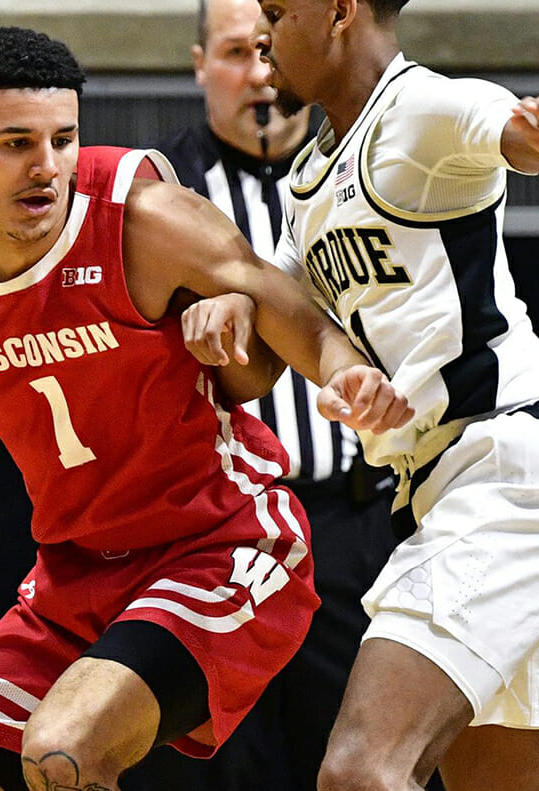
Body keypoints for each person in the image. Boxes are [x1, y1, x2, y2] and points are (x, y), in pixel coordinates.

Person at [0, 26, 412, 791]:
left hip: (221, 541)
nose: (47, 166)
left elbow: (295, 318)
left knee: (64, 748)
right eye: (16, 143)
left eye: (63, 139)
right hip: (73, 579)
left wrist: (347, 375)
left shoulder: (141, 218)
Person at [187, 1, 539, 789]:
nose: (264, 36)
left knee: (360, 770)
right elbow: (284, 315)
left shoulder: (424, 107)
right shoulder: (309, 180)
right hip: (443, 487)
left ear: (339, 11)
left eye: (278, 12)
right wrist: (232, 304)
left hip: (508, 469)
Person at [123, 1, 402, 790]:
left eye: (267, 47)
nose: (257, 73)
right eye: (234, 53)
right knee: (216, 766)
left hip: (350, 523)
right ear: (199, 67)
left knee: (357, 762)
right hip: (218, 530)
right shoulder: (162, 192)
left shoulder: (362, 167)